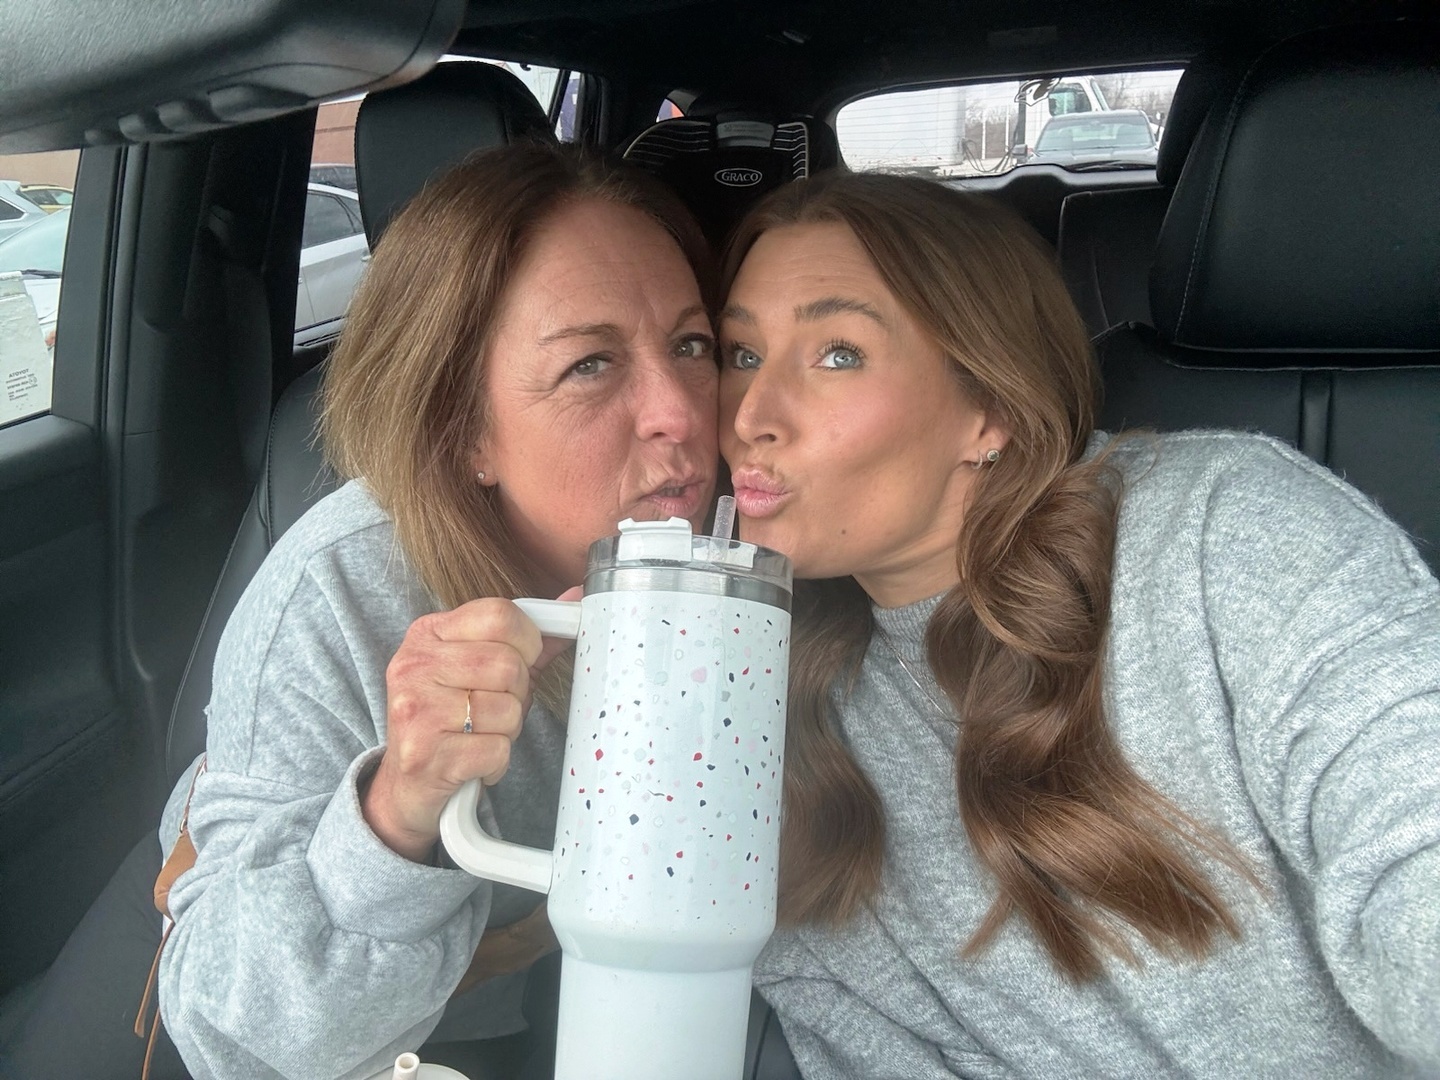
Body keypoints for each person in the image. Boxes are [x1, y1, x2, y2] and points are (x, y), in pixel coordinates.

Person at [715, 171, 1440, 1078]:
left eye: (837, 354)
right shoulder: (761, 709)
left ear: (989, 411)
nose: (750, 417)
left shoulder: (1223, 534)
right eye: (741, 354)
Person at [60, 141, 717, 1080]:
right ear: (465, 430)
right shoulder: (343, 588)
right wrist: (396, 813)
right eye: (590, 365)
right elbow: (236, 1034)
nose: (680, 414)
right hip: (264, 958)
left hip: (542, 974)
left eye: (692, 346)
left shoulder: (765, 544)